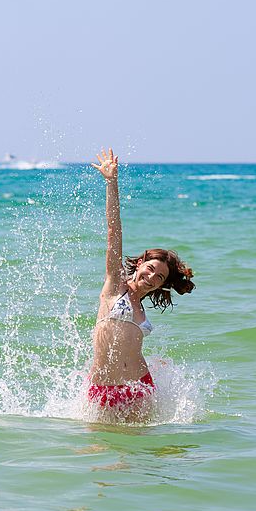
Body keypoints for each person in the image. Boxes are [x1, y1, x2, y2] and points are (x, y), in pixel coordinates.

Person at [87, 148, 195, 422]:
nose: (151, 277)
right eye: (150, 269)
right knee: (98, 454)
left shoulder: (142, 310)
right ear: (139, 265)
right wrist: (111, 183)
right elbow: (114, 233)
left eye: (159, 277)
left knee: (142, 457)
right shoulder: (115, 287)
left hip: (139, 386)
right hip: (104, 387)